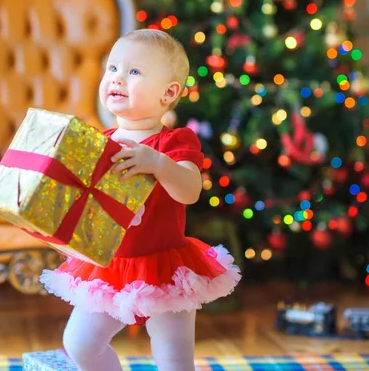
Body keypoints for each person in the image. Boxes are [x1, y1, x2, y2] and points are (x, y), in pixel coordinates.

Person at [39, 29, 242, 371]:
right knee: (79, 345)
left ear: (169, 93)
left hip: (167, 268)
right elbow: (86, 207)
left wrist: (159, 164)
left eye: (133, 72)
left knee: (174, 359)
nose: (117, 77)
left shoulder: (175, 141)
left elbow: (190, 190)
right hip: (108, 268)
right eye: (113, 68)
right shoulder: (98, 144)